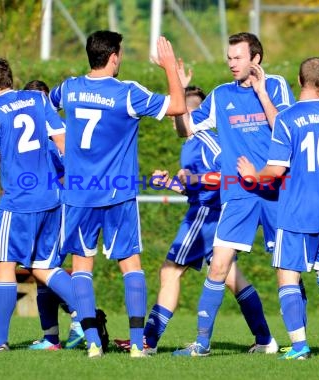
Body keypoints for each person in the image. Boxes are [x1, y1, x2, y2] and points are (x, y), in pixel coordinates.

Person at [114, 65, 278, 355]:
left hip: (207, 213)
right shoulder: (190, 145)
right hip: (207, 209)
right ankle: (265, 339)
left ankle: (148, 341)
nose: (177, 119)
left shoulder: (207, 140)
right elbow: (194, 184)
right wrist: (171, 184)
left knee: (170, 272)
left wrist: (196, 179)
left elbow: (228, 174)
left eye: (182, 113)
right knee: (232, 278)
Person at [49, 30, 186, 358]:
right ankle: (138, 344)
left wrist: (61, 142)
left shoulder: (69, 88)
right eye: (120, 54)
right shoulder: (126, 93)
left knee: (82, 267)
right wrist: (169, 67)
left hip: (79, 194)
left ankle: (93, 343)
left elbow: (45, 103)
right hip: (118, 194)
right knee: (131, 265)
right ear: (113, 56)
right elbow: (179, 105)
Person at [172, 32, 295, 357]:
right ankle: (201, 344)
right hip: (238, 194)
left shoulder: (277, 85)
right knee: (218, 267)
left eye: (237, 57)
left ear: (256, 59)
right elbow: (185, 129)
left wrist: (261, 93)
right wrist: (179, 91)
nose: (231, 63)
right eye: (229, 57)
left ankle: (300, 345)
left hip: (275, 192)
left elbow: (287, 130)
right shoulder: (220, 95)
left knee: (287, 269)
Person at [237, 57, 319, 360]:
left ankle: (299, 346)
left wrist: (253, 174)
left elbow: (276, 170)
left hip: (297, 213)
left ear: (298, 79)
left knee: (287, 274)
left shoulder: (287, 119)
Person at [0, 57, 75, 352]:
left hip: (18, 201)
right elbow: (62, 141)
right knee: (44, 266)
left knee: (3, 264)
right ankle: (88, 314)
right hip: (53, 198)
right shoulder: (38, 98)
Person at [19, 79, 86, 351]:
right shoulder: (30, 132)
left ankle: (83, 314)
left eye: (41, 99)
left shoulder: (60, 131)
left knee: (44, 266)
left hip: (57, 207)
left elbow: (74, 168)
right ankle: (51, 338)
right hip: (36, 206)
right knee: (40, 270)